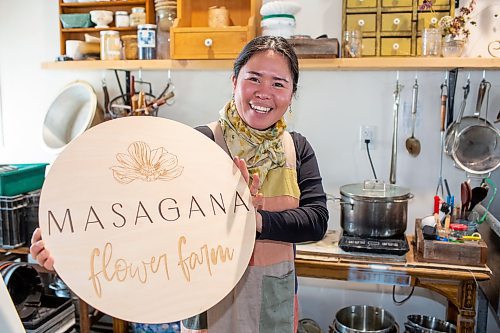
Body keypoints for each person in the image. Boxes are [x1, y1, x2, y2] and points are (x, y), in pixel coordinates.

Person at [30, 35, 329, 332]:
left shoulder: (296, 148)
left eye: (278, 83)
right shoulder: (199, 143)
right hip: (206, 305)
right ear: (235, 80)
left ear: (292, 94)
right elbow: (143, 220)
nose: (265, 92)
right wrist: (69, 247)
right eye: (254, 78)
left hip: (272, 304)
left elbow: (315, 221)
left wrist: (252, 219)